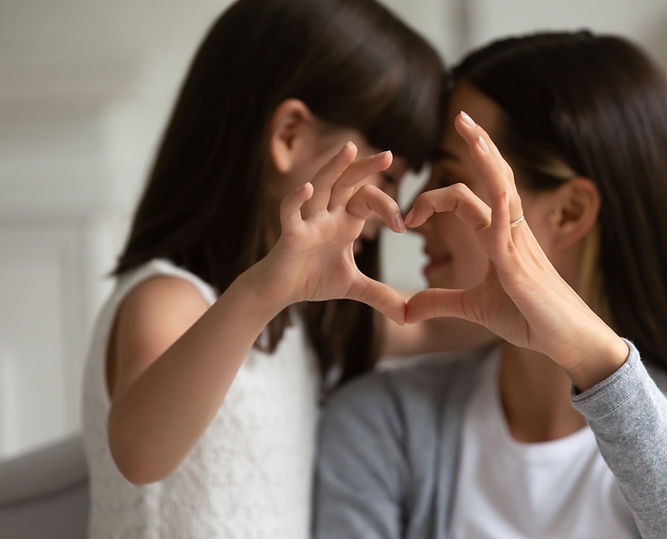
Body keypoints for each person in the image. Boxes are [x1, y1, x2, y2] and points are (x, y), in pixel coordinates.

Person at [314, 31, 667, 538]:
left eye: (447, 176)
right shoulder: (385, 424)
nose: (415, 212)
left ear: (569, 212)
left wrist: (598, 363)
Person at [79, 0, 444, 537]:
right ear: (289, 135)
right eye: (388, 177)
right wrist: (262, 292)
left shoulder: (302, 320)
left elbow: (436, 323)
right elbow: (140, 454)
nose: (394, 208)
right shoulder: (168, 298)